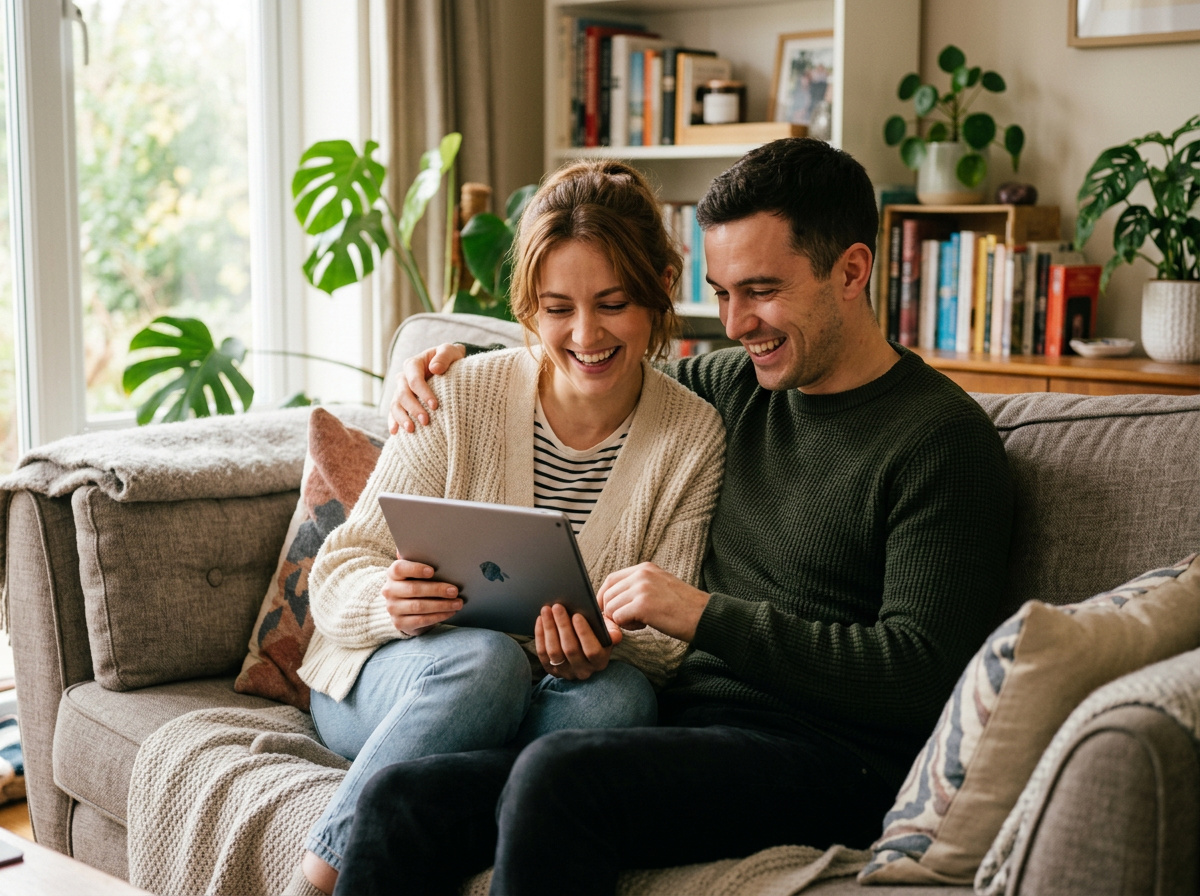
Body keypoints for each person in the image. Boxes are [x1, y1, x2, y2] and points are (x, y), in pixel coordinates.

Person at [342, 137, 1014, 896]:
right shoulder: (741, 383)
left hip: (834, 760)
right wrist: (433, 365)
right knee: (403, 801)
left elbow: (920, 676)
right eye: (722, 292)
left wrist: (703, 615)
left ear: (852, 271)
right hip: (689, 731)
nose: (735, 323)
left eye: (760, 290)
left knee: (561, 775)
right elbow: (598, 353)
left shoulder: (942, 443)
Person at [286, 159, 726, 896]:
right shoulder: (458, 393)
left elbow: (658, 649)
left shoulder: (692, 437)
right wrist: (386, 603)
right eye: (558, 308)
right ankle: (319, 874)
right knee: (483, 662)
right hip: (390, 674)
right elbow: (339, 569)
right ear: (529, 308)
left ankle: (458, 815)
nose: (585, 334)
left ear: (657, 292)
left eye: (613, 303)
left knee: (621, 702)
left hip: (541, 691)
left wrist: (590, 655)